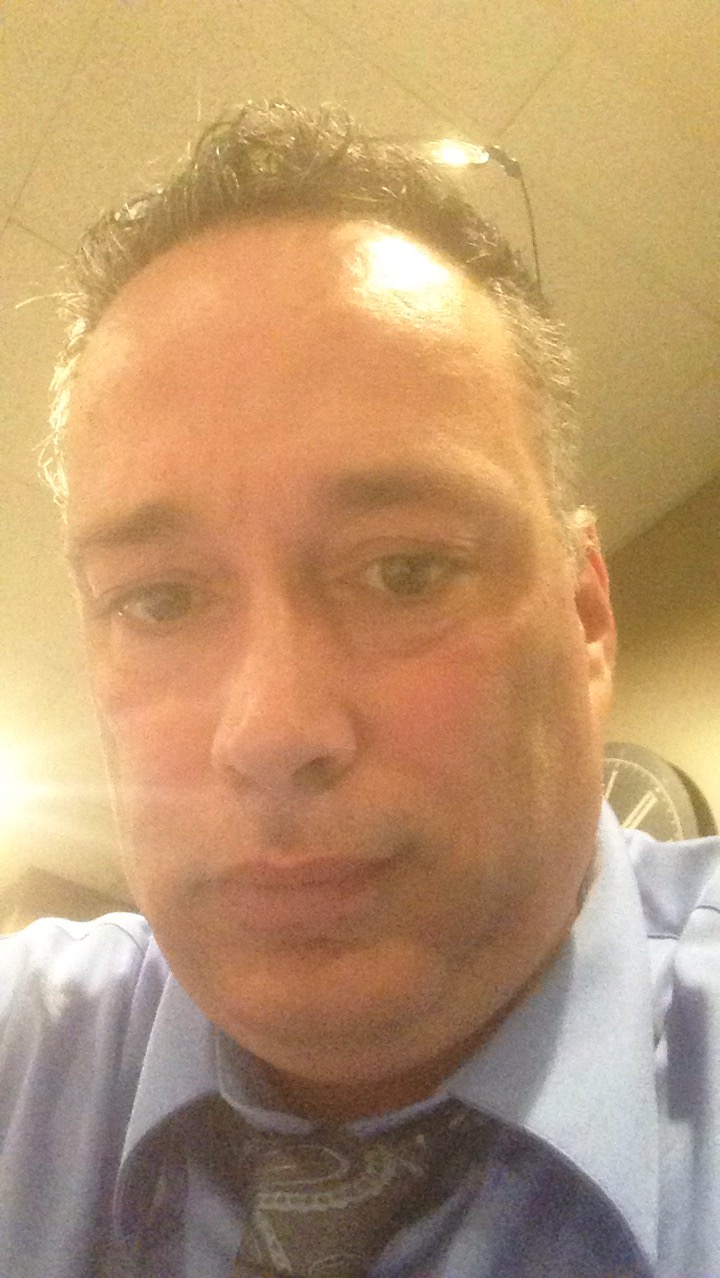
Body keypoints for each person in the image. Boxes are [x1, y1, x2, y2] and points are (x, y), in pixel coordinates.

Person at [1, 101, 718, 1278]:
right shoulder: (30, 1051)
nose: (273, 730)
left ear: (586, 617)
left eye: (406, 572)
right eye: (162, 600)